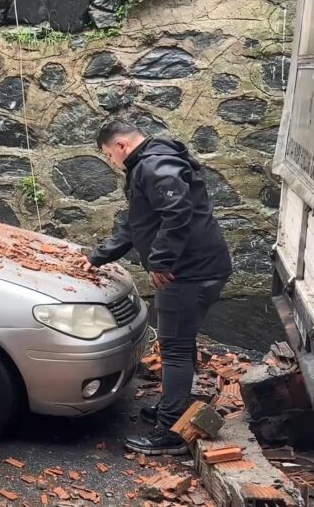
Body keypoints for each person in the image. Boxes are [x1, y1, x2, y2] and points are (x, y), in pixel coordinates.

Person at [81, 120, 231, 456]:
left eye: (108, 154)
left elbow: (177, 213)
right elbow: (137, 224)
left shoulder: (153, 166)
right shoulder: (151, 162)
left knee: (174, 347)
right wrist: (97, 257)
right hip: (197, 267)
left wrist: (161, 261)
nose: (111, 161)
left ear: (121, 145)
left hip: (188, 273)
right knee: (181, 342)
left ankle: (171, 431)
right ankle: (173, 406)